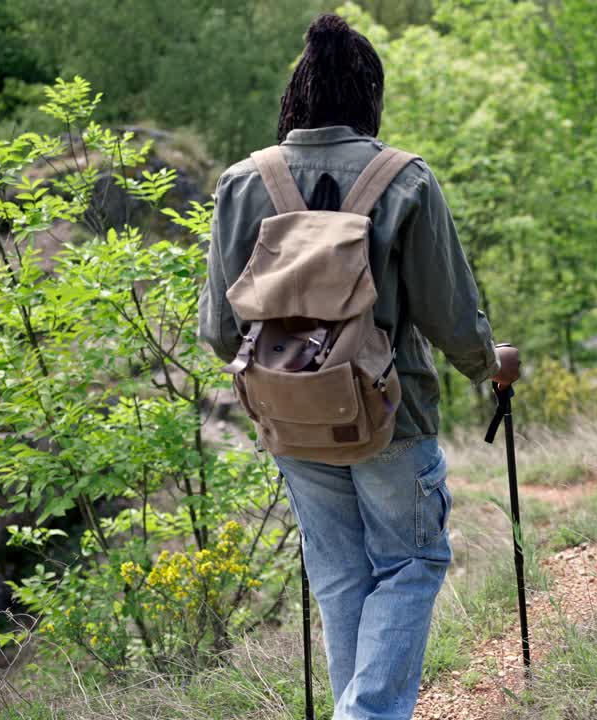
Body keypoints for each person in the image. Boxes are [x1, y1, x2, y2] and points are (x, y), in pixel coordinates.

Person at [198, 14, 519, 720]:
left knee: (341, 578)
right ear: (368, 93)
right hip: (388, 413)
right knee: (413, 563)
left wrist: (292, 373)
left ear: (297, 96)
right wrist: (490, 365)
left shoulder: (243, 182)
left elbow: (221, 332)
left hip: (291, 419)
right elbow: (450, 314)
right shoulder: (404, 178)